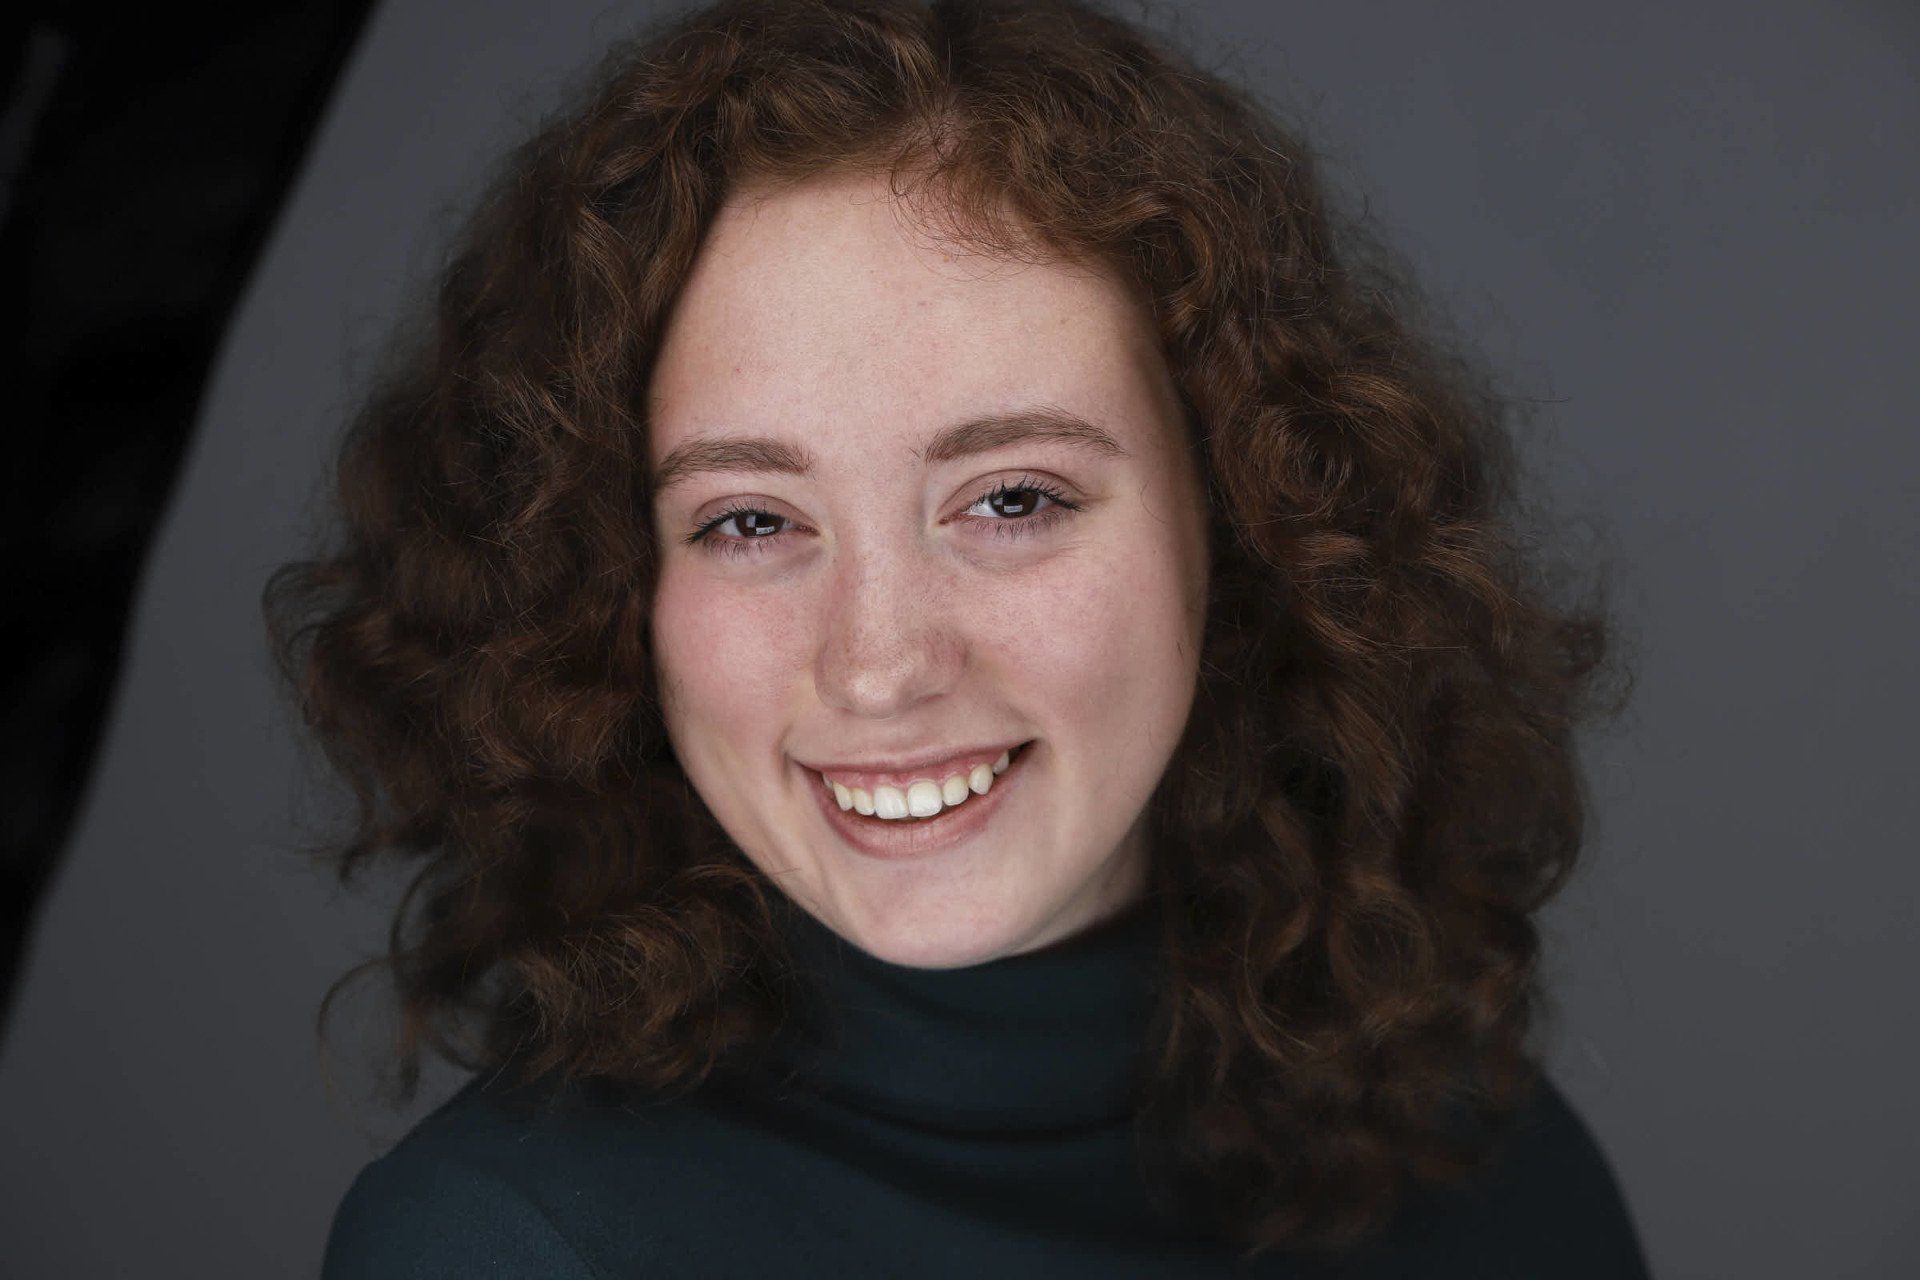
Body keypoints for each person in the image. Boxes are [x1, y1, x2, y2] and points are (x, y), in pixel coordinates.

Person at [267, 0, 1649, 1273]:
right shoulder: (508, 1247)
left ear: (1243, 516)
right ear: (610, 585)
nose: (877, 665)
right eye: (749, 521)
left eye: (1011, 499)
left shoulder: (1495, 1174)